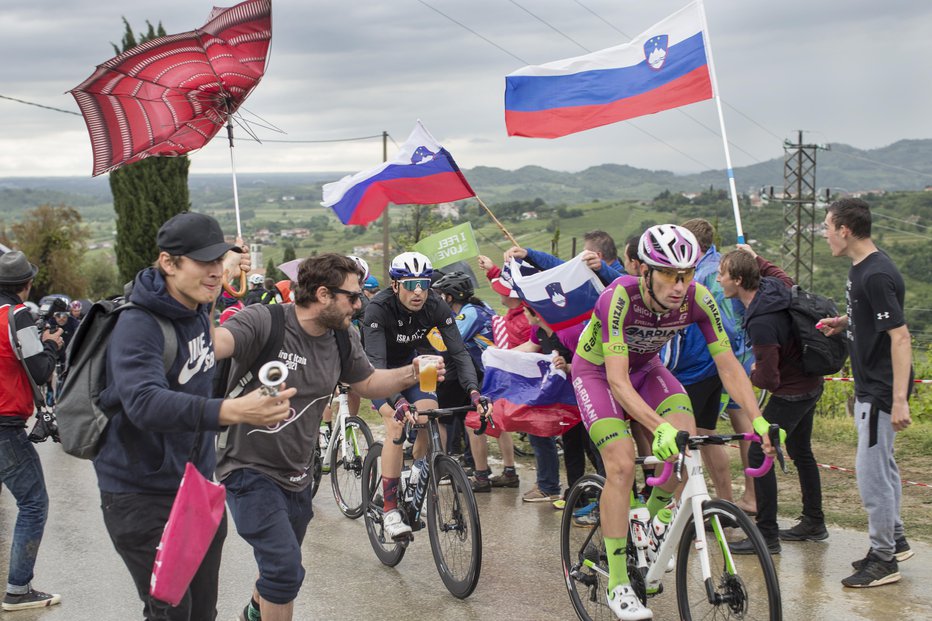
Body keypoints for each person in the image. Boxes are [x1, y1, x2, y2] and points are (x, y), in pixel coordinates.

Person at [95, 212, 295, 621]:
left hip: (196, 488)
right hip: (142, 495)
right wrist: (232, 410)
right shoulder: (137, 324)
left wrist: (228, 268)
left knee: (203, 611)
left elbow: (207, 297)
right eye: (202, 262)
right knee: (171, 612)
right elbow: (144, 403)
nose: (213, 271)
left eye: (217, 260)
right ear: (168, 263)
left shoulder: (195, 308)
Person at [571, 224, 775, 620]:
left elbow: (728, 363)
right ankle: (617, 582)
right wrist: (656, 427)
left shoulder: (698, 297)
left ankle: (658, 518)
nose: (679, 285)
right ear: (645, 272)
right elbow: (615, 379)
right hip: (598, 373)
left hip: (647, 371)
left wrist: (759, 420)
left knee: (687, 442)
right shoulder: (618, 298)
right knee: (622, 464)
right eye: (668, 274)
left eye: (686, 274)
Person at [214, 254, 432, 621]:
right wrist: (211, 286)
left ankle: (254, 610)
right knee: (284, 571)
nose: (360, 303)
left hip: (298, 474)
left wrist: (410, 374)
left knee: (277, 567)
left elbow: (367, 382)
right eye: (352, 296)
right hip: (247, 468)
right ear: (322, 294)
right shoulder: (265, 321)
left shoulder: (342, 336)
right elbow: (215, 344)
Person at [820, 198, 915, 588]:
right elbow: (873, 317)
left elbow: (901, 336)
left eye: (827, 226)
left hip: (880, 389)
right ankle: (895, 539)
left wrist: (897, 399)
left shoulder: (875, 273)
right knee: (884, 466)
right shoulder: (862, 269)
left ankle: (883, 558)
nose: (824, 234)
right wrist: (844, 323)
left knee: (871, 473)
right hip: (872, 385)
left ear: (845, 229)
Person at [362, 251, 489, 540]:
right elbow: (377, 366)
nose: (418, 291)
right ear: (395, 286)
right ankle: (391, 510)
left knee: (429, 415)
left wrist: (473, 391)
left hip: (415, 366)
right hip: (376, 372)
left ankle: (416, 472)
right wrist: (398, 401)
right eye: (409, 284)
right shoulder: (377, 309)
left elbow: (459, 352)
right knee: (396, 423)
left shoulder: (435, 305)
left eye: (423, 283)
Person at [718, 246, 825, 554]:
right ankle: (814, 521)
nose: (719, 279)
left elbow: (769, 379)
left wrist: (750, 372)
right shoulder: (776, 288)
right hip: (811, 381)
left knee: (756, 453)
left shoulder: (761, 321)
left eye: (723, 274)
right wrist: (756, 257)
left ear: (738, 280)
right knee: (800, 449)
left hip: (791, 392)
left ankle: (766, 534)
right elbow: (781, 273)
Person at [660, 218, 756, 515]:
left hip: (708, 364)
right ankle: (737, 501)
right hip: (730, 360)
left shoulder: (703, 274)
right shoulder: (719, 263)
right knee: (729, 429)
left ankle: (712, 504)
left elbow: (720, 324)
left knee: (700, 434)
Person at [0, 251, 63, 611]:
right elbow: (39, 368)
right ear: (27, 285)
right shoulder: (17, 314)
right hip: (5, 424)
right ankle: (18, 590)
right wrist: (52, 345)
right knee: (34, 504)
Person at [429, 271, 507, 492]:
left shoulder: (470, 313)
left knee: (472, 421)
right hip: (486, 370)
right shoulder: (478, 307)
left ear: (450, 297)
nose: (439, 298)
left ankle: (480, 475)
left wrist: (425, 329)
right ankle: (489, 470)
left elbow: (445, 342)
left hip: (482, 373)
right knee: (476, 421)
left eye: (442, 294)